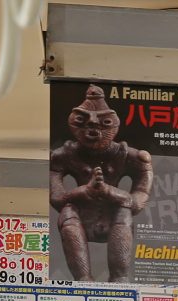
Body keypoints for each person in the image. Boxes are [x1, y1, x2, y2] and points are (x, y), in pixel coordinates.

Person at [49, 84, 153, 282]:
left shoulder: (131, 157)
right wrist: (84, 191)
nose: (92, 132)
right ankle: (83, 278)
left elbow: (138, 201)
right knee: (67, 212)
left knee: (124, 211)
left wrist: (108, 191)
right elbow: (56, 197)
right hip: (80, 219)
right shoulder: (63, 156)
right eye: (84, 123)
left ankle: (119, 278)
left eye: (102, 124)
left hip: (115, 221)